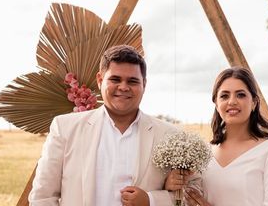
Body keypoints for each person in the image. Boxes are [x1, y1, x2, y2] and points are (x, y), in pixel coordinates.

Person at [29, 44, 198, 206]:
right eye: (115, 79)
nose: (123, 87)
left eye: (132, 81)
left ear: (144, 84)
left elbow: (194, 193)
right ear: (100, 79)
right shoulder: (65, 128)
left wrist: (151, 201)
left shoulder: (170, 135)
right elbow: (43, 196)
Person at [184, 66, 268, 206]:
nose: (232, 101)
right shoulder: (203, 153)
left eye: (240, 95)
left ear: (254, 102)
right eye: (224, 96)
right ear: (216, 103)